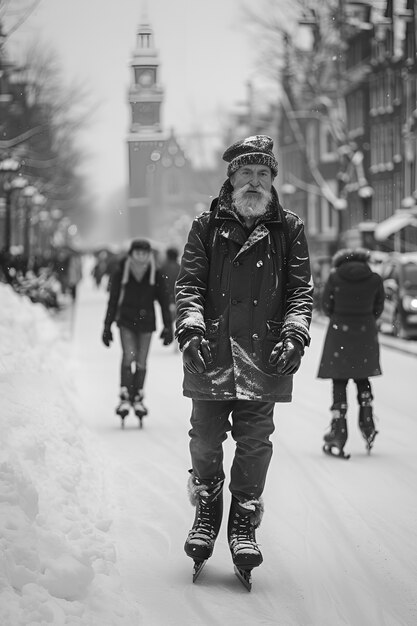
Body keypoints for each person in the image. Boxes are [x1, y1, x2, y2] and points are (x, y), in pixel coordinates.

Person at [175, 135, 313, 580]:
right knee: (205, 439)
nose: (254, 182)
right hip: (212, 354)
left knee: (255, 443)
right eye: (246, 173)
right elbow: (189, 286)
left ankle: (243, 521)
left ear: (273, 181)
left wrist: (294, 334)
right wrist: (191, 327)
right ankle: (208, 507)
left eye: (263, 174)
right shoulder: (205, 226)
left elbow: (300, 293)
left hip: (263, 355)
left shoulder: (288, 228)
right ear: (231, 178)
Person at [317, 248, 385, 458]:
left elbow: (326, 306)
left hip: (340, 334)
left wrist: (341, 316)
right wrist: (364, 317)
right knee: (362, 376)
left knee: (339, 379)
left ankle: (339, 430)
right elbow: (378, 308)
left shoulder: (335, 278)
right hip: (365, 332)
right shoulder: (374, 279)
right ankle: (367, 422)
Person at [102, 238, 173, 425]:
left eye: (144, 253)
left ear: (149, 254)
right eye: (137, 253)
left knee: (141, 360)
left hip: (147, 324)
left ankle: (138, 395)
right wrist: (106, 326)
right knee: (129, 356)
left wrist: (168, 326)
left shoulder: (155, 273)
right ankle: (126, 394)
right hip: (125, 321)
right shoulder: (121, 272)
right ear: (131, 254)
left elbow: (164, 302)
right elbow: (113, 299)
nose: (141, 256)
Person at [160, 247, 180, 323]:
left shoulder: (163, 268)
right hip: (177, 297)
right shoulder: (180, 267)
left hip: (166, 297)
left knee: (168, 321)